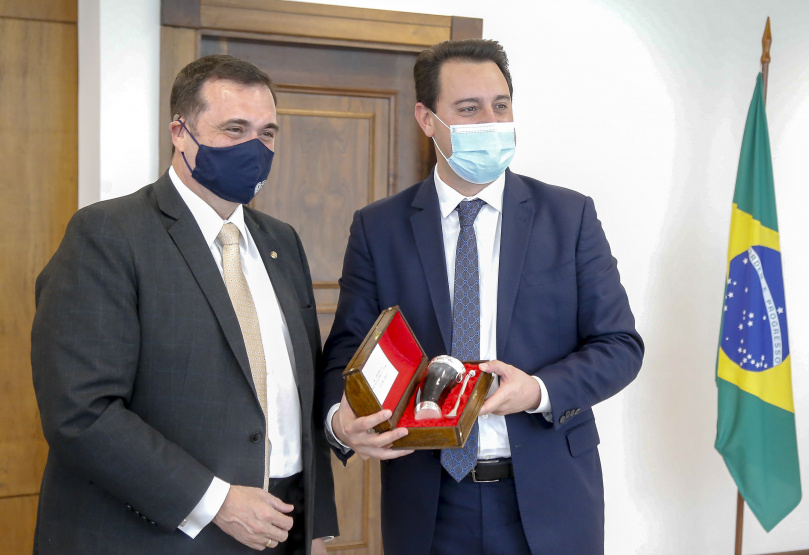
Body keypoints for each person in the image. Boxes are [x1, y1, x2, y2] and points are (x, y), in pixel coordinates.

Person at [321, 39, 644, 555]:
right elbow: (347, 350)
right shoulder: (378, 228)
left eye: (501, 105)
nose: (489, 121)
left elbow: (621, 345)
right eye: (469, 109)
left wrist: (538, 389)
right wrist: (341, 421)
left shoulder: (570, 216)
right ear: (428, 120)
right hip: (427, 501)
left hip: (550, 495)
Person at [31, 55, 337, 554]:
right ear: (180, 131)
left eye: (267, 133)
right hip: (156, 535)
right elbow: (81, 412)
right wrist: (216, 503)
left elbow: (295, 397)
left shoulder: (282, 242)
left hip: (279, 529)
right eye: (234, 128)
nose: (253, 147)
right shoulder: (108, 235)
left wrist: (316, 527)